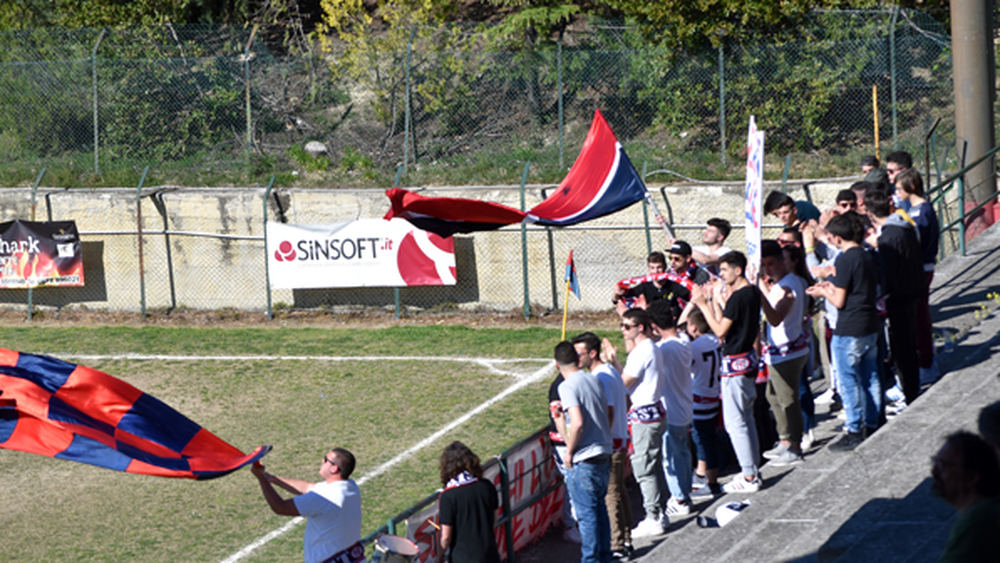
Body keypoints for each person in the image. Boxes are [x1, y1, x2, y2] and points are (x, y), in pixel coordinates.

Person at [807, 213, 882, 452]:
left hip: (849, 326)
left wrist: (823, 292)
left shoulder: (845, 260)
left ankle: (853, 429)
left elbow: (839, 301)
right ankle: (873, 422)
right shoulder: (869, 255)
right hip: (870, 323)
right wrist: (831, 286)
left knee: (849, 381)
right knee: (871, 376)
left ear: (838, 238)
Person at [690, 251, 762, 493]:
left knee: (735, 423)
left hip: (736, 363)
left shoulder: (740, 297)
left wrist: (700, 304)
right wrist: (711, 302)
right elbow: (726, 323)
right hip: (748, 360)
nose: (720, 275)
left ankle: (749, 475)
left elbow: (720, 331)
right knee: (747, 418)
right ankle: (751, 467)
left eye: (723, 270)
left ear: (737, 270)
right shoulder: (751, 293)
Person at [551, 341, 613, 563]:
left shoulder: (566, 387)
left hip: (585, 458)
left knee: (587, 517)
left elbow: (576, 422)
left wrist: (569, 452)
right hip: (603, 453)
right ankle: (605, 555)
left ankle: (591, 559)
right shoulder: (593, 379)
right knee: (600, 511)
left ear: (557, 365)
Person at [573, 332, 632, 560]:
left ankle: (617, 545)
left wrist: (603, 437)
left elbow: (608, 411)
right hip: (619, 439)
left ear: (592, 353)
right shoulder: (610, 372)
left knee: (611, 495)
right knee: (619, 492)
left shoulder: (601, 378)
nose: (577, 358)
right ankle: (625, 539)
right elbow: (627, 401)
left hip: (611, 444)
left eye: (580, 353)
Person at [864, 188, 923, 406]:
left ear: (870, 213)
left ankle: (909, 394)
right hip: (912, 292)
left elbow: (888, 272)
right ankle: (911, 390)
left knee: (902, 350)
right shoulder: (905, 227)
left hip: (898, 298)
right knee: (909, 346)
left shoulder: (888, 237)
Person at [251, 448, 363, 563]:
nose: (322, 461)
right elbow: (308, 488)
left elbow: (280, 507)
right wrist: (271, 478)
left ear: (334, 468)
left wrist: (261, 479)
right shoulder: (350, 486)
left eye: (326, 460)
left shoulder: (324, 496)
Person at [758, 240, 810, 467]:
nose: (768, 269)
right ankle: (785, 438)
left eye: (771, 264)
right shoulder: (787, 283)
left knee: (788, 400)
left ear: (781, 262)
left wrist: (761, 295)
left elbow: (776, 317)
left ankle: (795, 445)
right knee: (772, 395)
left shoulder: (787, 286)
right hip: (779, 351)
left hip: (787, 352)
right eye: (764, 265)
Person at [618, 308, 668, 537]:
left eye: (627, 326)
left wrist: (613, 361)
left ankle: (653, 516)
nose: (622, 330)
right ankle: (660, 511)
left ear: (640, 327)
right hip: (655, 411)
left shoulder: (642, 352)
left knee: (644, 468)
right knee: (654, 465)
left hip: (644, 414)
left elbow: (623, 384)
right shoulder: (649, 348)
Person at [648, 300, 694, 520]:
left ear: (655, 327)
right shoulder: (684, 340)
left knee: (671, 459)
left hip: (671, 411)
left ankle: (679, 498)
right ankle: (685, 492)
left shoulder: (662, 349)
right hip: (685, 407)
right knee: (683, 453)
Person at [894, 168, 939, 383]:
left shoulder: (921, 213)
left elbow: (916, 243)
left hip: (921, 269)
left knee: (919, 316)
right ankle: (925, 360)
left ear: (910, 188)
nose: (896, 193)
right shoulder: (916, 210)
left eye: (898, 188)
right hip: (920, 268)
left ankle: (926, 363)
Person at [931, 431, 1000, 562]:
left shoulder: (977, 520)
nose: (933, 472)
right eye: (934, 462)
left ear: (972, 477)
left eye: (942, 466)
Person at [438, 441, 500, 563]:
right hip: (490, 555)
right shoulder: (487, 485)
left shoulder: (448, 496)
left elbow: (446, 537)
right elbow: (494, 519)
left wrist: (439, 557)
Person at [685, 307, 724, 498]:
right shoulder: (714, 340)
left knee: (702, 440)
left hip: (700, 398)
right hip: (713, 394)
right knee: (708, 438)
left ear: (693, 327)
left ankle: (711, 480)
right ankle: (703, 473)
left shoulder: (693, 347)